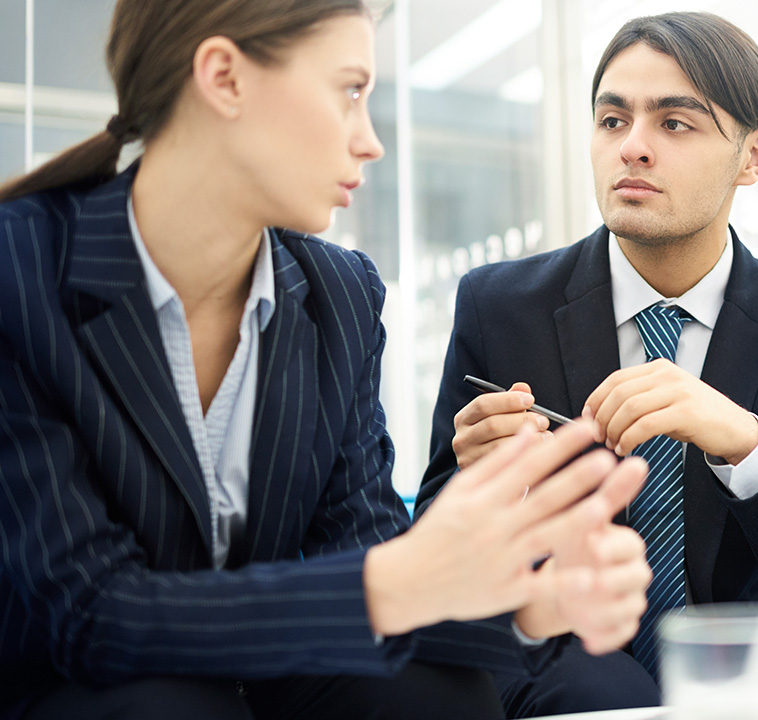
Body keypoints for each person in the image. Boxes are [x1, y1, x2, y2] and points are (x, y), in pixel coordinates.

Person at [0, 2, 651, 719]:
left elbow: (366, 546)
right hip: (72, 683)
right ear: (224, 77)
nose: (370, 142)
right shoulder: (20, 269)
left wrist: (524, 600)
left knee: (438, 695)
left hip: (257, 671)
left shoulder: (339, 295)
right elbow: (81, 610)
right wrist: (389, 584)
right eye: (349, 91)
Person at [416, 10, 758, 717]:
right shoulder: (500, 307)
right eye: (611, 121)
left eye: (674, 124)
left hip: (747, 683)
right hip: (558, 680)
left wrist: (747, 444)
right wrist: (480, 485)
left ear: (753, 155)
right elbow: (427, 563)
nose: (632, 147)